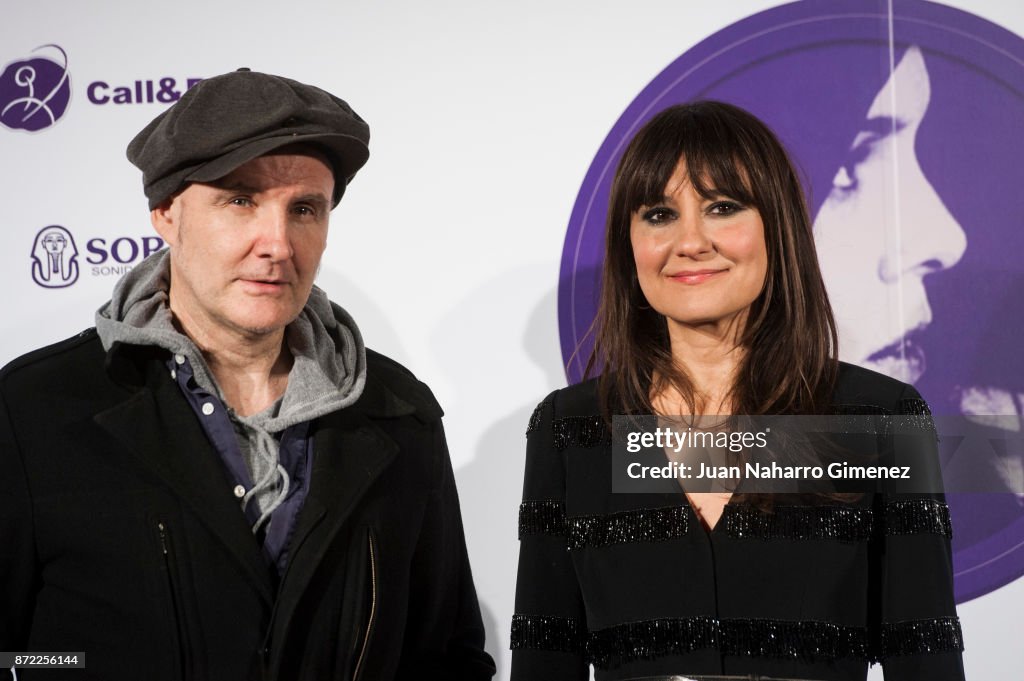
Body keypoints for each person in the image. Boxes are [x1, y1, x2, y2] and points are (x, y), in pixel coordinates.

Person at [0, 69, 495, 681]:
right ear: (165, 213)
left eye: (305, 208)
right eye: (240, 200)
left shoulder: (397, 409)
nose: (278, 243)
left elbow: (443, 658)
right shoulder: (31, 409)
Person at [511, 101, 964, 680]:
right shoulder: (569, 428)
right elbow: (544, 658)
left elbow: (925, 660)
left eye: (722, 208)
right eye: (658, 215)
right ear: (629, 245)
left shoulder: (881, 418)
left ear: (778, 227)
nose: (690, 241)